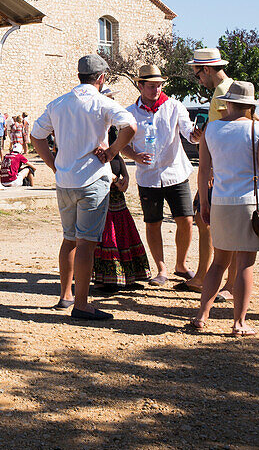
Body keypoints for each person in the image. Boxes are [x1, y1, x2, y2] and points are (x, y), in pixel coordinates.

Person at [30, 53, 137, 320]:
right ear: (101, 78)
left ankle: (65, 295)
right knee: (86, 242)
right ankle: (81, 303)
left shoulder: (58, 103)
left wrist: (54, 165)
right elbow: (130, 126)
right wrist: (112, 152)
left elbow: (36, 136)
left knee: (69, 239)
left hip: (64, 179)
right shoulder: (101, 102)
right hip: (91, 179)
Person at [189, 81, 259, 336]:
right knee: (245, 265)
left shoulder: (211, 129)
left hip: (219, 201)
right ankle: (239, 322)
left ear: (227, 103)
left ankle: (201, 316)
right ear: (250, 105)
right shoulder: (257, 129)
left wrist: (204, 203)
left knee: (218, 263)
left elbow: (204, 170)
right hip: (250, 201)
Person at [121, 64, 199, 286]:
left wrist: (196, 135)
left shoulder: (174, 106)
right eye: (152, 86)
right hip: (148, 177)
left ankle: (181, 265)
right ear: (140, 85)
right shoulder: (129, 113)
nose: (157, 89)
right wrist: (134, 156)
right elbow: (122, 143)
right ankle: (161, 269)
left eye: (159, 85)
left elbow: (188, 133)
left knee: (186, 219)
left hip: (176, 173)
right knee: (153, 222)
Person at [179, 47, 236, 297]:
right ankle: (204, 275)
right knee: (205, 222)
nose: (198, 78)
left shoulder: (223, 91)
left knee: (218, 225)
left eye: (197, 73)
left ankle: (224, 282)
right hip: (219, 166)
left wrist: (211, 166)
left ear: (207, 69)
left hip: (220, 168)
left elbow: (228, 129)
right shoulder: (225, 89)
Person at [92, 124, 151, 294]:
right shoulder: (97, 151)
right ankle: (105, 280)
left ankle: (127, 277)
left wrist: (125, 178)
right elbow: (105, 173)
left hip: (119, 203)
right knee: (108, 238)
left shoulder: (115, 152)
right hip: (105, 202)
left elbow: (121, 167)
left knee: (123, 236)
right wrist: (118, 180)